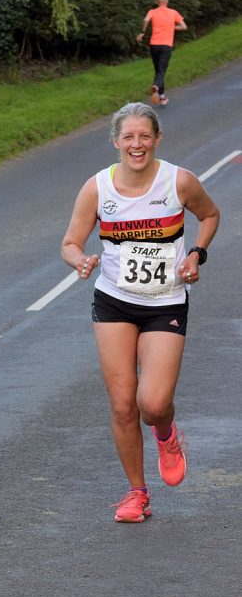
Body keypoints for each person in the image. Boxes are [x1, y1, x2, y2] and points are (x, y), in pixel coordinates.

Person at [60, 101, 219, 523]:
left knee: (152, 402)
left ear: (157, 139)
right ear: (116, 141)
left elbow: (210, 214)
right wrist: (79, 260)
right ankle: (137, 493)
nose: (136, 144)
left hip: (165, 301)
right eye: (128, 137)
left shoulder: (178, 182)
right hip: (113, 300)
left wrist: (197, 254)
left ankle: (165, 434)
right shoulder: (98, 188)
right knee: (123, 406)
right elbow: (70, 241)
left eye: (144, 136)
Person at [136, 0, 187, 107]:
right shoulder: (173, 12)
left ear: (157, 2)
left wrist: (143, 32)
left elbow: (146, 20)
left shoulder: (152, 12)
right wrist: (173, 27)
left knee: (158, 70)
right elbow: (184, 26)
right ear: (167, 1)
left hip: (154, 45)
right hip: (166, 46)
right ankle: (156, 86)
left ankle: (162, 97)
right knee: (161, 71)